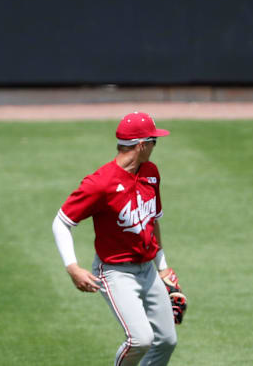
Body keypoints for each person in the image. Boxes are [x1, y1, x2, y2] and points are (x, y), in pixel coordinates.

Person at [52, 112, 178, 365]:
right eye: (154, 140)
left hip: (148, 270)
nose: (155, 146)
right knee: (140, 340)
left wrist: (163, 269)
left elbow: (152, 221)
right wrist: (72, 267)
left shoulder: (151, 172)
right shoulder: (100, 183)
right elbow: (62, 222)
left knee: (166, 341)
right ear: (142, 145)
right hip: (115, 272)